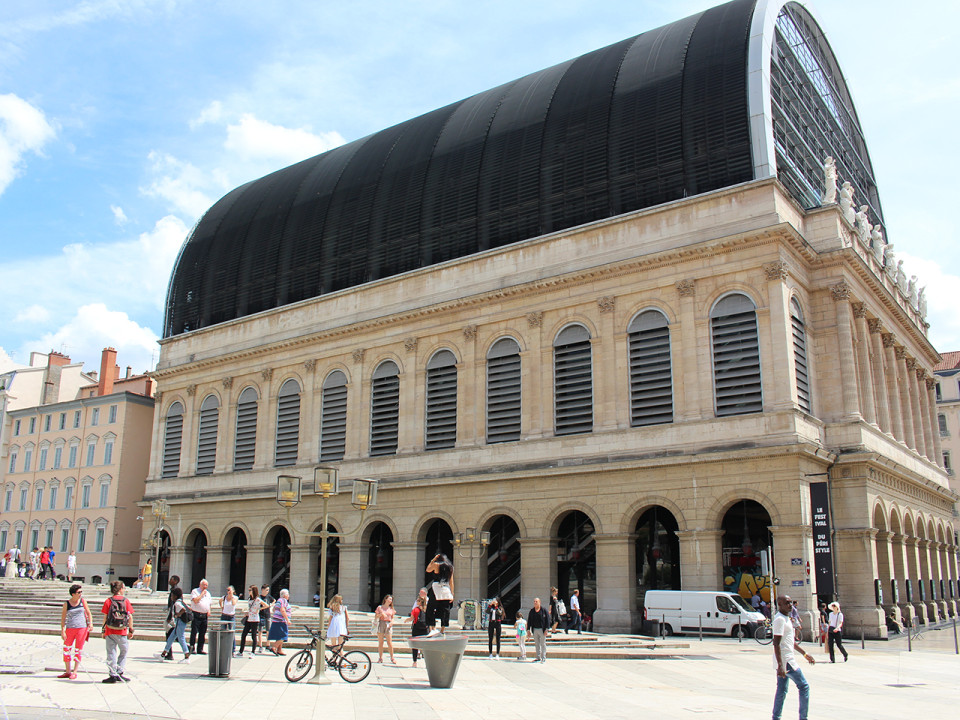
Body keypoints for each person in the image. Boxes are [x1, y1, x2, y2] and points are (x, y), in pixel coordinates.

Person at [772, 594, 815, 720]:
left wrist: (805, 654)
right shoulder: (779, 620)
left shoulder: (786, 618)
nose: (790, 605)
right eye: (787, 603)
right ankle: (803, 717)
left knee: (782, 690)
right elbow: (776, 643)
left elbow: (790, 641)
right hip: (786, 661)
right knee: (804, 686)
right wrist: (780, 665)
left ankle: (776, 717)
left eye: (791, 602)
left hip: (786, 660)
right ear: (780, 604)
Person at [100, 580, 135, 683]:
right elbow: (130, 616)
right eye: (123, 588)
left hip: (110, 630)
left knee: (111, 652)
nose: (124, 590)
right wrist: (131, 630)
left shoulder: (108, 601)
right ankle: (120, 672)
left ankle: (112, 674)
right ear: (120, 590)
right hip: (122, 631)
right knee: (123, 651)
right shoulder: (126, 601)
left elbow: (105, 617)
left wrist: (103, 630)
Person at [59, 584, 93, 679]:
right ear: (73, 594)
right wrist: (63, 630)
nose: (80, 594)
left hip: (82, 628)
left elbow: (89, 613)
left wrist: (90, 624)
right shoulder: (67, 604)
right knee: (66, 649)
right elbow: (63, 618)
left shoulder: (83, 601)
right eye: (79, 592)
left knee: (78, 649)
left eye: (81, 592)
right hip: (70, 628)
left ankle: (75, 671)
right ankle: (67, 671)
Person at [424, 554, 455, 635]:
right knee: (445, 609)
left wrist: (432, 560)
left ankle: (432, 627)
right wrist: (452, 593)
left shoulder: (436, 565)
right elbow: (451, 581)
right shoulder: (450, 567)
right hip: (446, 588)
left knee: (430, 608)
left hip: (437, 587)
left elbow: (428, 569)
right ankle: (442, 629)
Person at [161, 587, 191, 661]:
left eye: (172, 595)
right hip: (180, 622)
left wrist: (177, 615)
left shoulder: (177, 603)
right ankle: (163, 654)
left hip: (180, 622)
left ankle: (187, 656)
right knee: (171, 638)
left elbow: (183, 609)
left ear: (175, 596)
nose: (171, 597)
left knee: (181, 638)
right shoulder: (181, 601)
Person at [237, 585, 264, 657]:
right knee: (243, 635)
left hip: (255, 619)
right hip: (249, 618)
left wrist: (259, 609)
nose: (249, 592)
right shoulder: (249, 599)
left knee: (253, 636)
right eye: (248, 590)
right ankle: (240, 651)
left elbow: (266, 605)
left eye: (250, 590)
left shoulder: (258, 599)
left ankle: (253, 652)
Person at [189, 578, 211, 655]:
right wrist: (201, 594)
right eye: (204, 585)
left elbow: (209, 603)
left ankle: (200, 648)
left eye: (206, 585)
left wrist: (208, 610)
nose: (205, 587)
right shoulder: (195, 591)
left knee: (202, 633)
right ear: (200, 585)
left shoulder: (208, 593)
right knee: (194, 632)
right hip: (196, 614)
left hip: (204, 616)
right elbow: (195, 601)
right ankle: (192, 648)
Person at [267, 588, 291, 655]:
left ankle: (279, 650)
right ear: (284, 595)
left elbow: (274, 609)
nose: (288, 596)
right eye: (288, 594)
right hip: (281, 621)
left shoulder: (279, 600)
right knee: (283, 635)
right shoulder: (283, 600)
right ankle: (274, 647)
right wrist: (287, 619)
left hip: (276, 621)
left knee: (279, 636)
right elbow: (282, 610)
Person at [375, 594, 397, 663]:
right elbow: (376, 617)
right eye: (389, 599)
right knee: (381, 642)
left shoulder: (391, 609)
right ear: (385, 599)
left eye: (391, 600)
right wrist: (381, 614)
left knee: (389, 642)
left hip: (388, 624)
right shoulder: (380, 608)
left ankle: (392, 657)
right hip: (381, 623)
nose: (390, 601)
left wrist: (392, 623)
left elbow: (393, 617)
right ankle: (380, 657)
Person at [527, 597, 551, 663]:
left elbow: (548, 620)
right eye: (534, 601)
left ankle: (543, 657)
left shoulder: (544, 610)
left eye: (536, 601)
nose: (535, 603)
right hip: (535, 629)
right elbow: (529, 621)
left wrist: (547, 629)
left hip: (542, 629)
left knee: (543, 644)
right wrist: (528, 630)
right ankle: (538, 657)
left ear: (539, 602)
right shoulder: (532, 611)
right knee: (537, 644)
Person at [410, 593, 428, 667]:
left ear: (420, 602)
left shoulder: (415, 610)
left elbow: (411, 618)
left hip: (416, 628)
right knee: (426, 646)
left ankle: (415, 662)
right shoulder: (427, 610)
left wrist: (406, 620)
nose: (416, 602)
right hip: (425, 629)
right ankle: (427, 662)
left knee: (415, 645)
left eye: (418, 601)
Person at [258, 584, 274, 653]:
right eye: (266, 590)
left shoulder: (268, 597)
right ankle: (260, 646)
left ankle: (268, 645)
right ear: (262, 590)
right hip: (260, 615)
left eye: (268, 590)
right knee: (260, 631)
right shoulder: (259, 597)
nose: (267, 591)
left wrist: (271, 605)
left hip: (268, 615)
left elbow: (274, 600)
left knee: (268, 631)